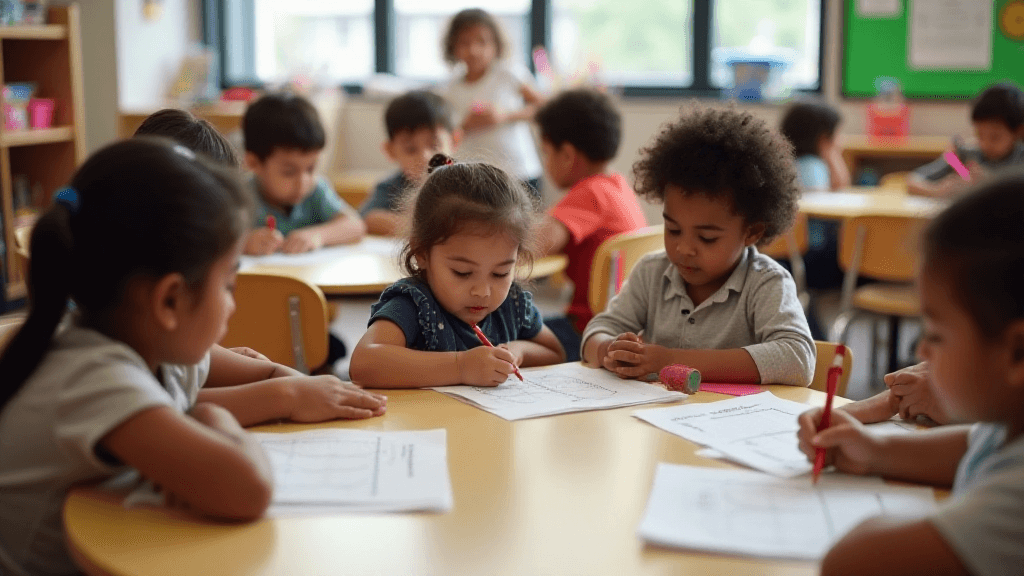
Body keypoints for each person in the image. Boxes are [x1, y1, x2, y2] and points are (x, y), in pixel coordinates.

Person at [0, 139, 274, 576]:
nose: (232, 304)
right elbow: (249, 490)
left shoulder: (120, 346)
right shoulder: (93, 375)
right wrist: (212, 416)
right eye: (227, 284)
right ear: (169, 301)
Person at [798, 171, 1024, 576]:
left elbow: (852, 562)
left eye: (934, 335)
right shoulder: (1008, 427)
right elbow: (972, 447)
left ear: (1017, 353)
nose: (920, 352)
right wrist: (873, 451)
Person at [133, 108, 388, 425]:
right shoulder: (115, 343)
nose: (232, 303)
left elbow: (180, 389)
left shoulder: (153, 319)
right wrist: (286, 394)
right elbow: (172, 410)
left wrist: (283, 381)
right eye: (227, 286)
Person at [581, 106, 815, 386]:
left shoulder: (766, 283)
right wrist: (610, 350)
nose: (684, 249)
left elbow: (797, 358)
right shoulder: (651, 273)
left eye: (707, 238)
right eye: (673, 230)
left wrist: (670, 359)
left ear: (751, 232)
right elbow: (599, 329)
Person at [349, 154, 565, 388]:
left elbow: (555, 353)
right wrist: (461, 367)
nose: (482, 291)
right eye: (462, 272)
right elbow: (363, 364)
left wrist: (518, 350)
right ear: (422, 253)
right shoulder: (414, 305)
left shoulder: (513, 303)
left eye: (500, 273)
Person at [533, 88, 647, 361]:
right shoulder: (617, 185)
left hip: (587, 333)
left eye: (546, 153)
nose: (545, 163)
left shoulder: (590, 193)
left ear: (567, 155)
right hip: (619, 330)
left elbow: (534, 244)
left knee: (502, 334)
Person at [242, 92, 366, 255]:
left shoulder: (316, 190)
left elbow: (356, 225)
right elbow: (212, 241)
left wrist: (318, 235)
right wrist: (244, 243)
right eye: (289, 172)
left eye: (310, 169)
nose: (303, 182)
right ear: (254, 163)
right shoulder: (239, 196)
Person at [437, 8, 544, 198]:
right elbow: (446, 134)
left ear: (496, 44)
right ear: (453, 46)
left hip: (519, 171)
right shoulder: (451, 87)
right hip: (475, 177)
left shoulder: (509, 74)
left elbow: (542, 107)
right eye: (464, 42)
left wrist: (503, 116)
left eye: (482, 41)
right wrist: (465, 126)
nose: (473, 50)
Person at [779, 101, 852, 338]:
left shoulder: (784, 162)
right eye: (837, 135)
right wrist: (832, 154)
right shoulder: (813, 167)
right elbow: (840, 187)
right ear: (823, 139)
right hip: (808, 253)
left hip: (784, 252)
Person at [360, 90, 459, 236]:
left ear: (455, 141)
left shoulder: (466, 181)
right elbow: (368, 218)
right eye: (410, 149)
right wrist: (425, 228)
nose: (425, 157)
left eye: (434, 145)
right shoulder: (392, 187)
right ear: (390, 151)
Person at [908, 82, 1024, 198]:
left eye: (995, 137)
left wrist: (986, 185)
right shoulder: (965, 154)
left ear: (1019, 132)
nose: (985, 144)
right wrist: (937, 190)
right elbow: (912, 180)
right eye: (979, 135)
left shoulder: (1020, 159)